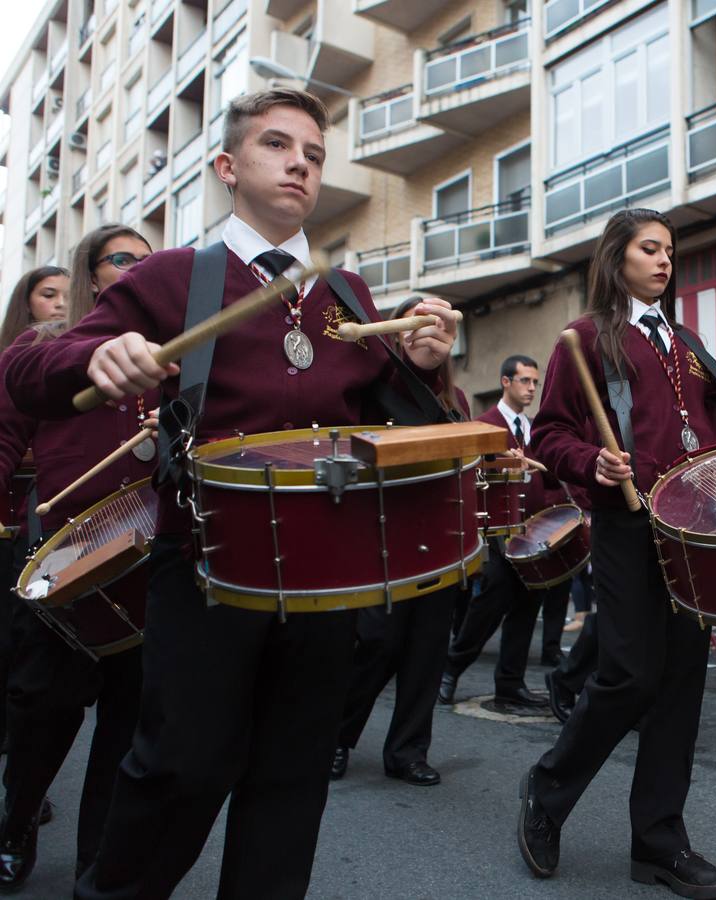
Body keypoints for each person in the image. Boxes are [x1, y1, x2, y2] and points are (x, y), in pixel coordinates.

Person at [6, 89, 460, 900]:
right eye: (277, 146)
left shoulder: (346, 297)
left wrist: (424, 363)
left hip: (326, 580)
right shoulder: (174, 275)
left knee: (291, 783)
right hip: (208, 566)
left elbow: (390, 421)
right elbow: (27, 370)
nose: (299, 164)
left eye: (314, 155)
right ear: (227, 167)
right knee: (175, 768)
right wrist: (98, 358)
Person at [516, 208, 716, 898]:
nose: (665, 261)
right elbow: (549, 433)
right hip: (626, 527)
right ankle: (547, 791)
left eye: (670, 250)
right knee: (630, 677)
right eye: (650, 249)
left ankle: (659, 844)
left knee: (682, 688)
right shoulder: (585, 340)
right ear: (618, 260)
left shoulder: (687, 343)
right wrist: (592, 462)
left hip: (694, 529)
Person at [0, 227, 152, 888]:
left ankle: (99, 860)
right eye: (124, 259)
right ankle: (17, 820)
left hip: (149, 559)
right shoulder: (46, 347)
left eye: (151, 262)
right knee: (43, 709)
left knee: (130, 723)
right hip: (64, 555)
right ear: (91, 273)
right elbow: (4, 435)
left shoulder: (171, 355)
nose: (141, 270)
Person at [333, 298, 471, 787]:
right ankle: (337, 736)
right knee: (375, 642)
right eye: (414, 323)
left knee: (427, 651)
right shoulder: (374, 389)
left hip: (437, 537)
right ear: (394, 334)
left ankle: (408, 750)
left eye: (434, 326)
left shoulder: (457, 402)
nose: (424, 334)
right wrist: (415, 368)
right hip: (381, 537)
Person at [438, 353, 576, 716]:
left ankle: (510, 685)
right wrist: (499, 459)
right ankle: (451, 668)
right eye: (524, 381)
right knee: (490, 605)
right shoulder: (485, 425)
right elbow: (470, 475)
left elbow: (550, 481)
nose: (532, 388)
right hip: (496, 534)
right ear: (505, 382)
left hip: (533, 535)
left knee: (527, 608)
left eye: (534, 382)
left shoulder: (533, 429)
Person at [0, 265, 70, 766]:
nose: (62, 304)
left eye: (70, 295)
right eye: (49, 295)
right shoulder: (21, 356)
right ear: (27, 302)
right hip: (17, 522)